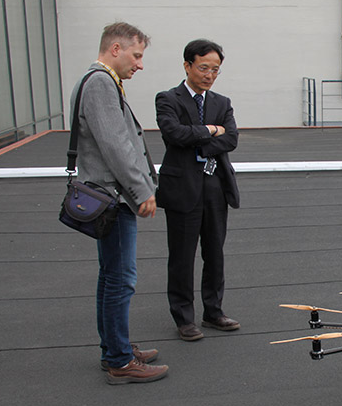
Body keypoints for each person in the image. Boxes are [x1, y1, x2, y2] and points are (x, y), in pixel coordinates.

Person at [71, 22, 168, 385]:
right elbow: (116, 144)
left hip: (107, 196)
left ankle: (116, 348)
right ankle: (119, 359)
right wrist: (142, 189)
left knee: (111, 275)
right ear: (115, 49)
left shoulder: (96, 81)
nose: (140, 64)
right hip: (114, 198)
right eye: (137, 55)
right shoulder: (100, 83)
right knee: (120, 279)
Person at [155, 39, 240, 341]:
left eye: (215, 70)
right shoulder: (168, 99)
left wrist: (200, 138)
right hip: (182, 190)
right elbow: (173, 134)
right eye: (204, 68)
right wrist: (209, 131)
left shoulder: (221, 102)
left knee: (214, 253)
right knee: (182, 256)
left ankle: (214, 311)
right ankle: (183, 317)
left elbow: (230, 139)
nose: (209, 75)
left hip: (215, 188)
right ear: (187, 65)